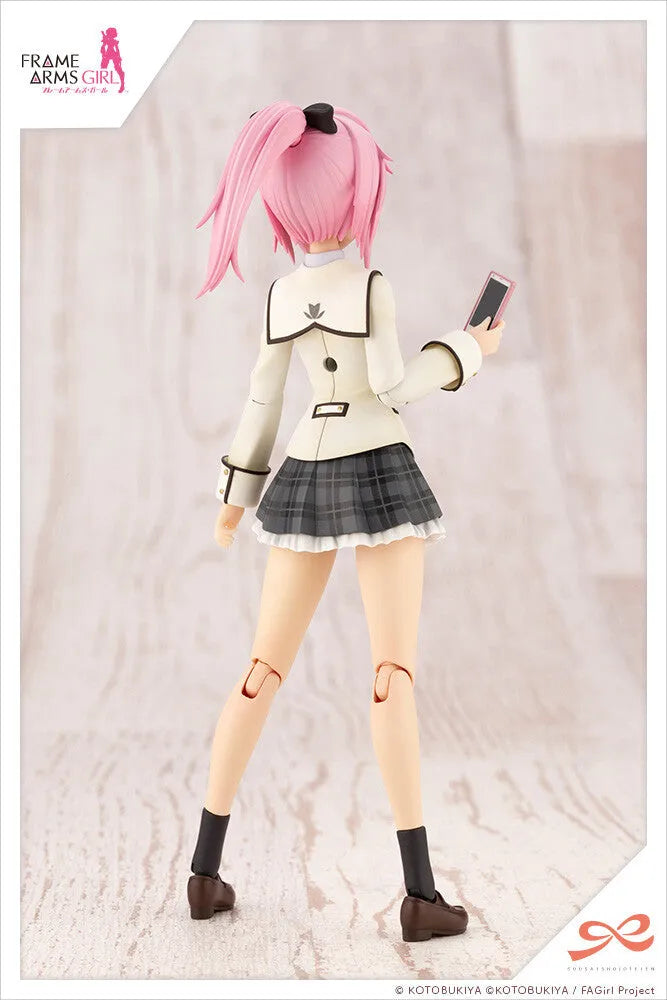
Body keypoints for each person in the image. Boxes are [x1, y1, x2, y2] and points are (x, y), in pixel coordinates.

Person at [187, 101, 503, 942]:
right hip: (378, 468)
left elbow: (263, 399)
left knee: (260, 669)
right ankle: (419, 894)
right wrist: (468, 350)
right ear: (355, 191)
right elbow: (393, 385)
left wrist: (235, 494)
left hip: (302, 469)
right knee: (390, 673)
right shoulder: (369, 286)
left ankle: (203, 873)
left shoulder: (282, 294)